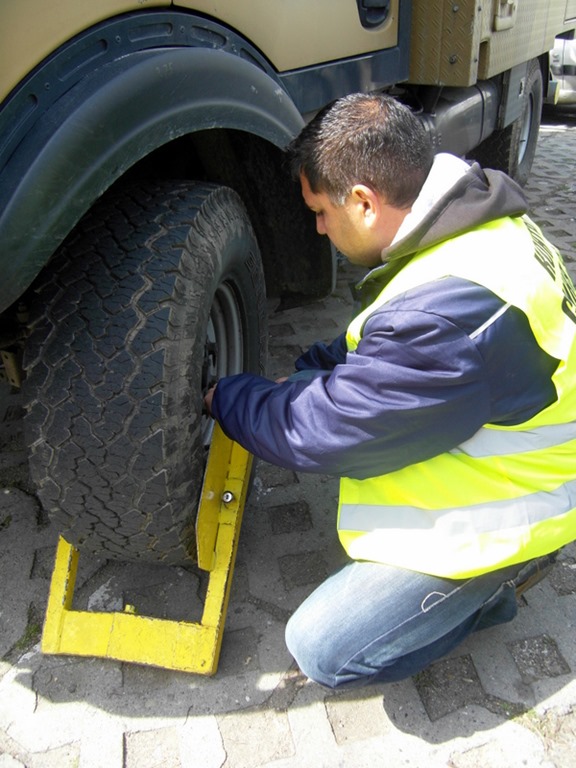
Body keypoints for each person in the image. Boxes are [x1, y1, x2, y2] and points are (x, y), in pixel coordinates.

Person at [204, 93, 576, 689]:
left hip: (519, 512)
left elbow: (320, 432)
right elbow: (386, 337)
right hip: (505, 435)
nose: (318, 227)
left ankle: (494, 586)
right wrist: (304, 374)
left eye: (320, 211)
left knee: (323, 648)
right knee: (308, 387)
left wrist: (228, 399)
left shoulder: (451, 316)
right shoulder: (471, 225)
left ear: (363, 201)